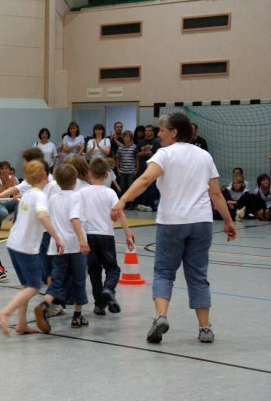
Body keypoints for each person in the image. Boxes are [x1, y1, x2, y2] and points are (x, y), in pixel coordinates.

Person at [111, 112, 237, 344]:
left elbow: (145, 180)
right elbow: (216, 193)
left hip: (172, 222)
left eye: (162, 130)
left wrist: (122, 200)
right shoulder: (204, 156)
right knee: (198, 275)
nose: (159, 134)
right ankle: (205, 328)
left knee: (164, 272)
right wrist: (228, 221)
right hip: (201, 223)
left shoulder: (165, 154)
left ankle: (161, 316)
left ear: (174, 132)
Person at [0, 160, 64, 336]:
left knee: (26, 285)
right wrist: (57, 237)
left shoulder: (27, 194)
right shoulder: (40, 195)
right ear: (45, 176)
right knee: (34, 286)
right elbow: (42, 216)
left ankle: (21, 324)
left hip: (13, 244)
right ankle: (5, 312)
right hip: (26, 247)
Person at [34, 164, 90, 334]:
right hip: (74, 245)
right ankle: (77, 316)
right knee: (79, 279)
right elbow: (74, 218)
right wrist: (82, 240)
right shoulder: (76, 196)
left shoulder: (52, 199)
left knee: (57, 280)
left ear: (57, 181)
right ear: (75, 180)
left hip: (58, 246)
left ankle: (45, 304)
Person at [80, 158, 134, 316]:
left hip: (88, 235)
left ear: (89, 174)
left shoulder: (82, 193)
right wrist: (128, 235)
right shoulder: (110, 193)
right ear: (106, 175)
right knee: (112, 268)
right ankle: (109, 289)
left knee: (94, 271)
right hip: (106, 236)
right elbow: (119, 213)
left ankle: (99, 305)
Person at [116, 130, 139, 207]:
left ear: (131, 138)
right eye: (124, 137)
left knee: (131, 187)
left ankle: (131, 203)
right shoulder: (120, 147)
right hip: (122, 171)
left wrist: (136, 169)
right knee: (123, 187)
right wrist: (118, 168)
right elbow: (118, 159)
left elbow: (137, 159)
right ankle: (124, 203)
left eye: (127, 137)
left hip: (131, 171)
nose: (125, 139)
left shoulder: (134, 147)